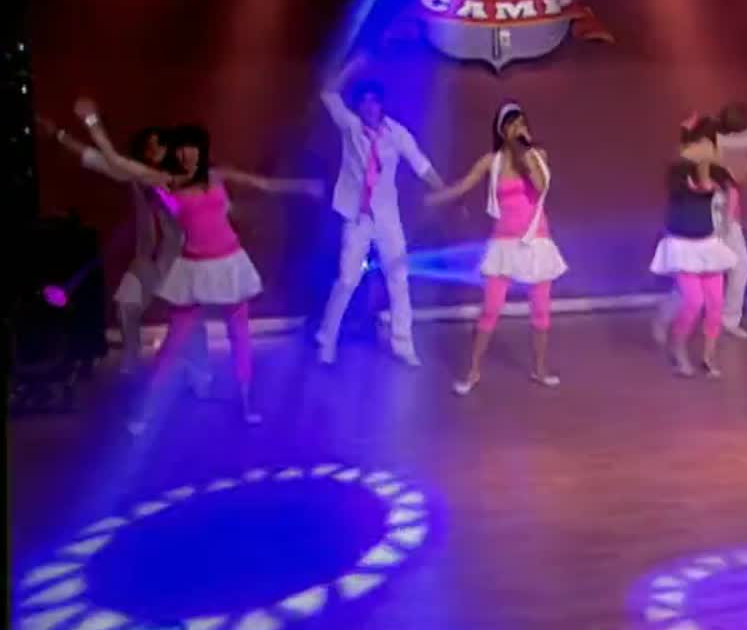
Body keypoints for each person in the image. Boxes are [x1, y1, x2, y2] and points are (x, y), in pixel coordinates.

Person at [73, 100, 322, 430]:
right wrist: (92, 122)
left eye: (192, 148)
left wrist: (303, 186)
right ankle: (146, 411)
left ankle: (247, 402)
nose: (187, 154)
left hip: (229, 262)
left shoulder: (215, 176)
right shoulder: (166, 181)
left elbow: (263, 184)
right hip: (194, 267)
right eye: (182, 149)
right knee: (174, 342)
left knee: (240, 335)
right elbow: (118, 162)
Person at [41, 117, 210, 384]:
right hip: (146, 259)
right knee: (126, 304)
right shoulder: (135, 175)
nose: (153, 150)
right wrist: (59, 134)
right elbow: (95, 158)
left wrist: (163, 194)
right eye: (148, 146)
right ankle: (131, 362)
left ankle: (202, 373)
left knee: (190, 319)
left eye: (159, 145)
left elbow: (188, 213)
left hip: (177, 260)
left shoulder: (180, 179)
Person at [426, 102, 567, 395]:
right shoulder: (492, 161)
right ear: (502, 130)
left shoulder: (537, 155)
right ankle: (473, 372)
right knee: (490, 309)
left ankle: (540, 369)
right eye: (512, 124)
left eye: (521, 123)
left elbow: (541, 185)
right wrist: (435, 199)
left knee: (541, 310)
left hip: (536, 241)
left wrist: (525, 152)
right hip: (503, 244)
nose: (518, 128)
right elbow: (463, 185)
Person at [314, 55, 444, 367]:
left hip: (386, 217)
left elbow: (421, 165)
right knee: (347, 279)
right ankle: (326, 340)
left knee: (398, 277)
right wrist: (352, 67)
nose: (370, 107)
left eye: (375, 102)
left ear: (382, 105)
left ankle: (403, 344)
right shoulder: (350, 127)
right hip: (356, 216)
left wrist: (446, 190)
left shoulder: (396, 133)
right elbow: (327, 93)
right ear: (359, 106)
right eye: (365, 102)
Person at [650, 106, 747, 345]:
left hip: (727, 221)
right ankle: (663, 319)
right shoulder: (697, 156)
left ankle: (728, 320)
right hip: (700, 224)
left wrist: (746, 170)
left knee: (740, 266)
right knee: (691, 282)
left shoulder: (727, 153)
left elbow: (746, 179)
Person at [650, 117, 740, 378]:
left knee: (715, 303)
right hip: (682, 244)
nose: (708, 148)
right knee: (693, 301)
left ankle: (708, 356)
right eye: (703, 143)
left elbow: (727, 187)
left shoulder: (717, 170)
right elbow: (700, 186)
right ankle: (678, 348)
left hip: (708, 243)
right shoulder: (678, 171)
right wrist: (687, 138)